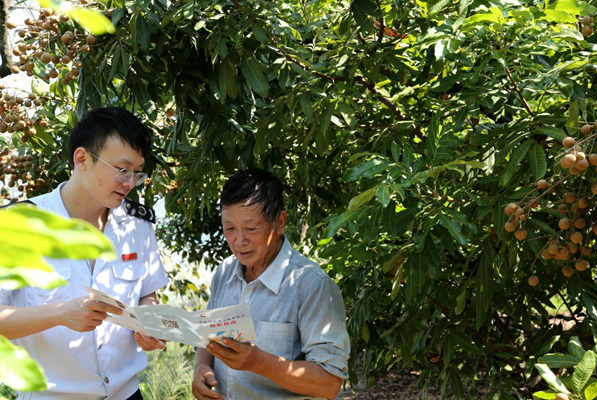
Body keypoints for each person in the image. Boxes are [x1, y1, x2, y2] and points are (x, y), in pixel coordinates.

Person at [0, 107, 170, 400]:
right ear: (82, 159)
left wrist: (148, 322)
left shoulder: (137, 226)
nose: (130, 183)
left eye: (137, 173)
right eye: (122, 169)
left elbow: (147, 292)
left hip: (127, 393)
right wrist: (59, 313)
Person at [192, 168, 350, 400]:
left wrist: (259, 362)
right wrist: (201, 368)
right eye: (230, 228)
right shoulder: (225, 272)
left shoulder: (311, 285)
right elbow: (209, 338)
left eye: (251, 228)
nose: (239, 241)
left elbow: (329, 383)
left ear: (279, 222)